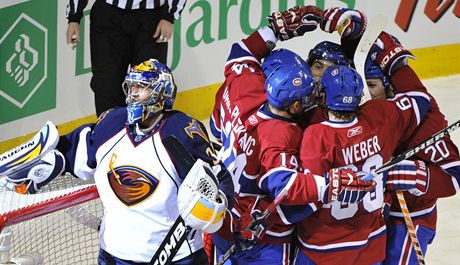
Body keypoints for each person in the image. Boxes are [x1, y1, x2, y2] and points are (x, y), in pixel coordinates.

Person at [0, 59, 233, 265]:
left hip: (177, 256)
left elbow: (219, 179)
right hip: (116, 255)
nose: (132, 94)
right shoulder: (112, 124)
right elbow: (70, 153)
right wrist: (39, 169)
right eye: (131, 87)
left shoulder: (181, 132)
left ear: (161, 93)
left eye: (141, 88)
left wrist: (217, 203)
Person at [210, 6, 376, 265]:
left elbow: (240, 55)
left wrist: (274, 31)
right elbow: (287, 189)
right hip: (265, 233)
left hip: (225, 213)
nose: (321, 76)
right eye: (318, 66)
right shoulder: (294, 129)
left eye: (331, 71)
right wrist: (329, 186)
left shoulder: (244, 88)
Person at [296, 65, 432, 265]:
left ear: (323, 96)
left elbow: (309, 198)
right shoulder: (380, 115)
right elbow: (420, 98)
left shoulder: (317, 135)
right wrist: (393, 57)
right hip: (371, 246)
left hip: (322, 248)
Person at [363, 32, 460, 265]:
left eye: (372, 85)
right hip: (367, 223)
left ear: (390, 88)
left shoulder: (421, 123)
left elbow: (455, 175)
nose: (364, 93)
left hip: (407, 222)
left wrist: (416, 175)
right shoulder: (357, 117)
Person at [66, 0, 187, 116]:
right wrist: (74, 16)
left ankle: (145, 135)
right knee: (107, 84)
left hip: (151, 18)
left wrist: (169, 16)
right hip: (107, 16)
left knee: (148, 84)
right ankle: (109, 134)